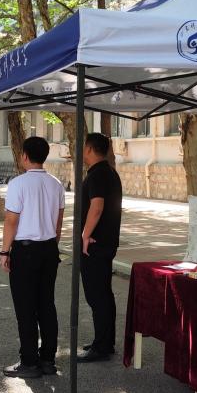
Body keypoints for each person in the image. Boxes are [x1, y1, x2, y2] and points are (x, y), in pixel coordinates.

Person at [0, 136, 64, 378]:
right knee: (46, 304)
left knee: (26, 307)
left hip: (25, 250)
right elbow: (58, 223)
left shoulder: (18, 184)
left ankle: (29, 362)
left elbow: (11, 221)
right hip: (49, 248)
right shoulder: (56, 184)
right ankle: (48, 359)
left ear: (25, 156)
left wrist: (5, 251)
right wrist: (51, 245)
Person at [77, 133, 123, 363]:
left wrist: (85, 235)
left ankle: (102, 346)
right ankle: (105, 341)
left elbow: (97, 206)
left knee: (97, 295)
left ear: (89, 149)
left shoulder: (97, 174)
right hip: (106, 242)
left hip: (95, 244)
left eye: (83, 147)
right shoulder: (109, 172)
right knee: (103, 294)